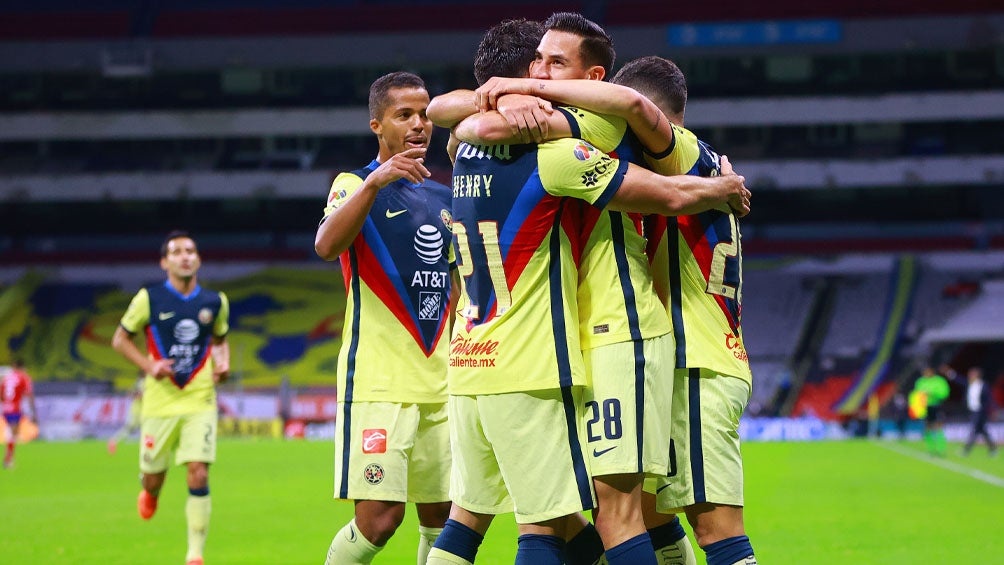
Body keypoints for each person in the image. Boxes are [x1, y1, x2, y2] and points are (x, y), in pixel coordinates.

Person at [426, 19, 749, 565]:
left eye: (555, 64)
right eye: (536, 63)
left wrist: (513, 98)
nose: (540, 73)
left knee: (613, 513)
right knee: (594, 515)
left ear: (594, 80)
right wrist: (494, 104)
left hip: (623, 333)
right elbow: (455, 117)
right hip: (567, 345)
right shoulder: (552, 141)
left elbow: (470, 126)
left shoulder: (598, 125)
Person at [314, 71, 455, 565]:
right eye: (404, 115)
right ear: (377, 124)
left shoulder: (446, 197)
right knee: (379, 520)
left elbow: (456, 286)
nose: (419, 125)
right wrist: (375, 181)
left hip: (441, 385)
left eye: (424, 115)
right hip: (379, 383)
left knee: (444, 522)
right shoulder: (353, 184)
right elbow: (327, 245)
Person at [111, 230, 231, 565]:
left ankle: (195, 554)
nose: (185, 256)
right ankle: (149, 492)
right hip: (160, 402)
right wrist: (149, 365)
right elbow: (120, 340)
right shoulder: (148, 299)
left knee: (199, 472)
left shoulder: (215, 301)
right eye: (176, 251)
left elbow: (220, 339)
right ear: (165, 262)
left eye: (190, 250)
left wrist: (224, 364)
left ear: (199, 259)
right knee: (154, 477)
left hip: (200, 398)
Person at [2, 359, 38, 469]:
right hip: (15, 409)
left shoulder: (6, 378)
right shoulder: (24, 377)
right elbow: (29, 394)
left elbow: (1, 394)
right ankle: (8, 460)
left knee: (13, 433)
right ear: (22, 367)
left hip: (5, 409)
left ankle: (8, 459)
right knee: (13, 434)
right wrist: (33, 412)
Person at [912, 365, 951, 456]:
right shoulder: (920, 381)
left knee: (938, 426)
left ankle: (941, 449)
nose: (925, 374)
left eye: (927, 372)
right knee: (927, 427)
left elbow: (944, 393)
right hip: (925, 407)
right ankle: (931, 449)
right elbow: (917, 394)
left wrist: (932, 393)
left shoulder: (939, 381)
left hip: (936, 405)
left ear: (932, 372)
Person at [963, 366, 997, 456]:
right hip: (973, 411)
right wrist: (950, 373)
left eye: (972, 374)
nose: (969, 375)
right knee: (982, 430)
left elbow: (989, 399)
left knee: (974, 429)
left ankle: (967, 450)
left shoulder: (983, 385)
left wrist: (993, 410)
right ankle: (993, 449)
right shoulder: (970, 384)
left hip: (981, 412)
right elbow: (959, 380)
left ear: (977, 375)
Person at [107, 376, 144, 455]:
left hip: (143, 411)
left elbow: (132, 393)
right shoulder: (141, 382)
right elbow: (134, 394)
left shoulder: (142, 381)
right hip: (137, 411)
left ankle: (114, 440)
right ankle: (113, 440)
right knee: (130, 428)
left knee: (143, 430)